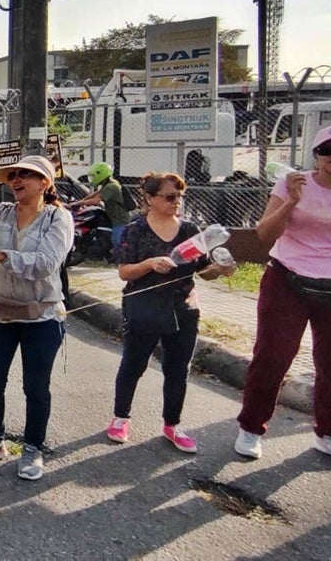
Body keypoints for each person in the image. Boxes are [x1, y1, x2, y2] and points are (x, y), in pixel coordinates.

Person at [236, 125, 331, 471]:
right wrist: (291, 203)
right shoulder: (294, 183)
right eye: (326, 149)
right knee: (272, 357)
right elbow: (263, 234)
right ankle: (251, 428)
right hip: (288, 278)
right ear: (315, 155)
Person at [0, 156, 74, 481]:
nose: (17, 179)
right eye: (13, 175)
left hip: (42, 318)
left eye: (27, 175)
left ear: (45, 183)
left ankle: (33, 447)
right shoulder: (2, 213)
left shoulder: (59, 218)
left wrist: (0, 256)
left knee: (36, 387)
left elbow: (46, 263)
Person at [106, 172, 235, 453]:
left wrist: (221, 270)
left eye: (180, 196)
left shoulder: (190, 231)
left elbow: (203, 272)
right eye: (169, 196)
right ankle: (120, 417)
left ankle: (172, 424)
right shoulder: (135, 230)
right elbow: (124, 271)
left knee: (178, 369)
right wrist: (150, 263)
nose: (176, 201)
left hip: (183, 308)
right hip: (145, 306)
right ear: (150, 199)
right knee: (133, 364)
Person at [72, 161, 133, 249]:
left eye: (94, 176)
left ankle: (121, 259)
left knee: (117, 241)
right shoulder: (109, 184)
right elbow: (95, 194)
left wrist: (80, 203)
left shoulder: (111, 187)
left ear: (101, 174)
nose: (92, 179)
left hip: (121, 220)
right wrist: (80, 201)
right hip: (115, 218)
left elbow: (96, 200)